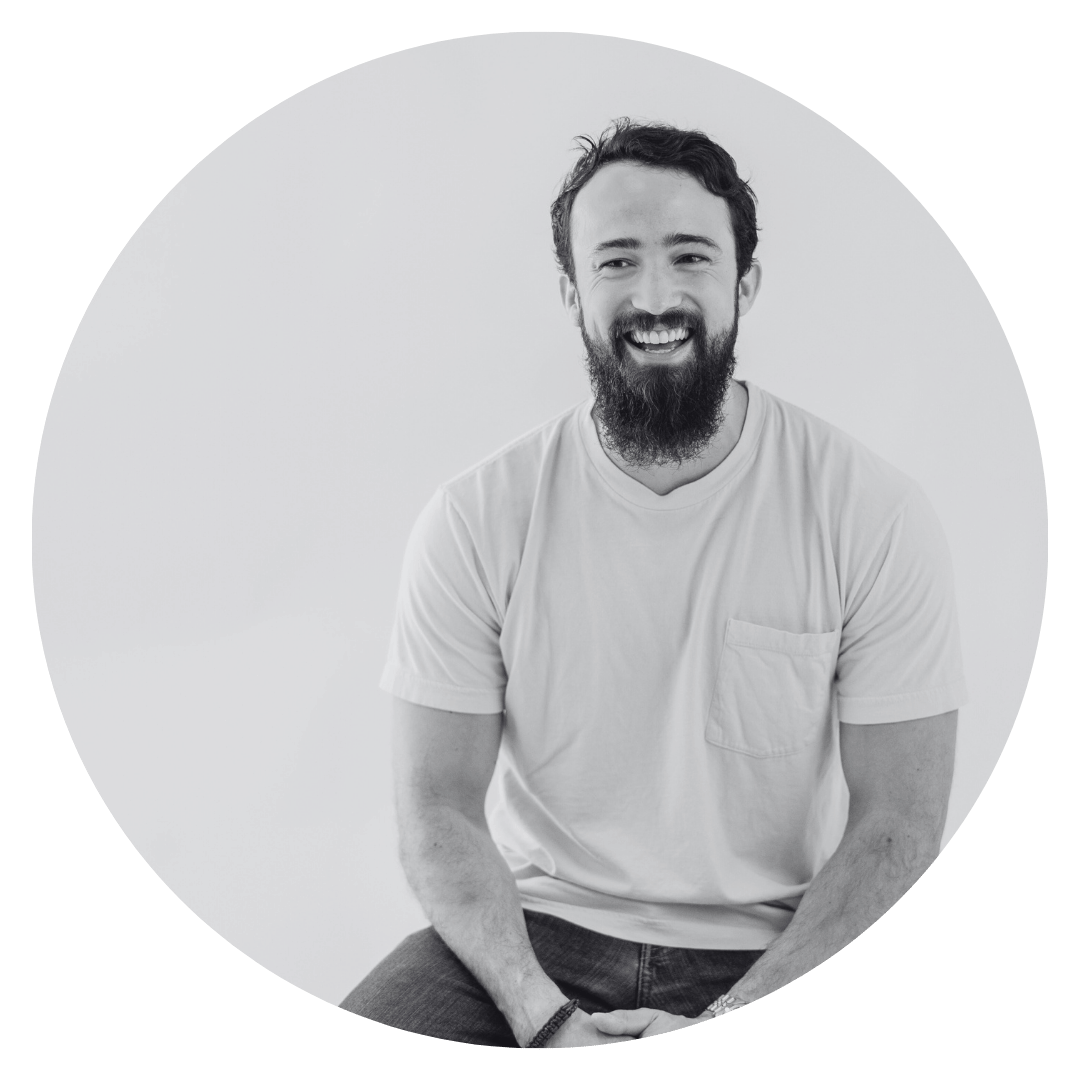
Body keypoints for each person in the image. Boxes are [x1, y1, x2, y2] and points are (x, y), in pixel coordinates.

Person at [339, 119, 966, 1048]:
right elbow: (437, 809)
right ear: (572, 290)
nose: (656, 296)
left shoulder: (870, 512)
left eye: (691, 256)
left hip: (778, 948)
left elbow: (899, 827)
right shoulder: (476, 517)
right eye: (618, 261)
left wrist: (733, 1022)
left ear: (745, 282)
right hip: (534, 934)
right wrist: (542, 1017)